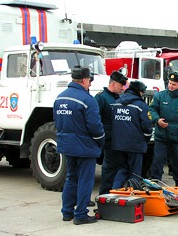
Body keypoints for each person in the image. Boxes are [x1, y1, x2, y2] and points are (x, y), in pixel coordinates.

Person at [53, 65, 105, 225]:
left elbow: (57, 122)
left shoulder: (60, 98)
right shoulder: (87, 100)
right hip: (85, 147)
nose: (90, 84)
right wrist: (100, 141)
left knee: (71, 177)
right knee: (85, 180)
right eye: (89, 80)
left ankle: (67, 212)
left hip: (67, 145)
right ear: (84, 80)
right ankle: (81, 214)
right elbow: (95, 127)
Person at [111, 80, 153, 188]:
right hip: (135, 145)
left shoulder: (117, 103)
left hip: (118, 144)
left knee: (121, 169)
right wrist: (146, 140)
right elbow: (147, 127)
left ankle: (115, 193)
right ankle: (131, 195)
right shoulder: (141, 105)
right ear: (139, 92)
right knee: (135, 173)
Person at [95, 70, 128, 195]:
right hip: (108, 139)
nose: (122, 88)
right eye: (121, 86)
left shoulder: (120, 98)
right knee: (108, 169)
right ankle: (104, 195)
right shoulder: (101, 98)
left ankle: (114, 193)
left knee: (119, 167)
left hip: (119, 140)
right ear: (113, 84)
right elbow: (95, 118)